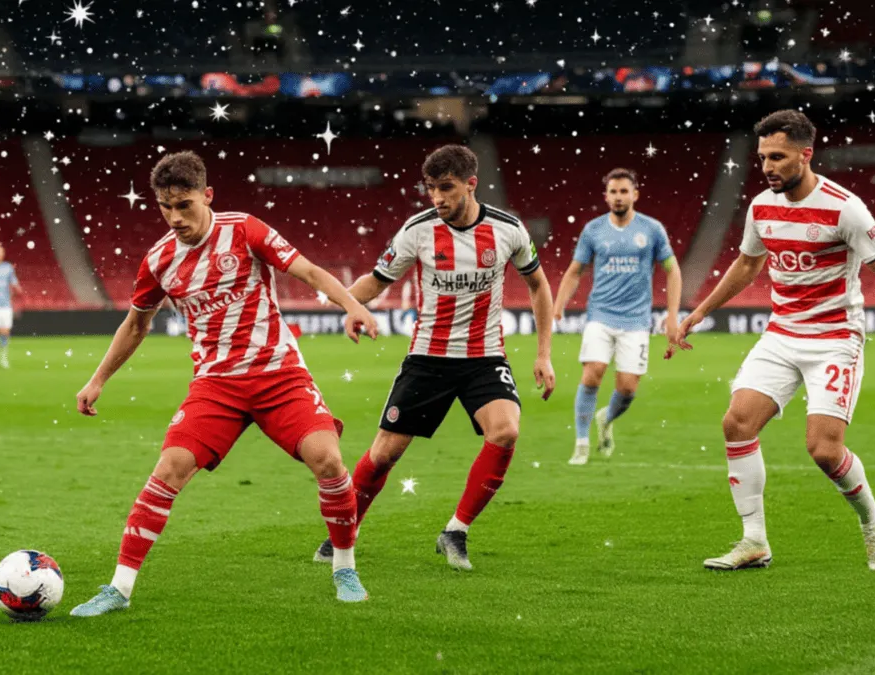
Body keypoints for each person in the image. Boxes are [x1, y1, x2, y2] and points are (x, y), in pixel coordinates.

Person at [69, 151, 379, 616]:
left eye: (185, 205)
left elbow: (310, 272)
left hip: (279, 375)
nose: (175, 218)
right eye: (165, 207)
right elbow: (136, 324)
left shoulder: (245, 229)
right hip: (217, 385)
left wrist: (351, 306)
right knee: (169, 467)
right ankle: (119, 588)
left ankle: (344, 567)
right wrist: (98, 379)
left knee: (329, 462)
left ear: (207, 196)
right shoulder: (159, 260)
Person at [669, 109, 875, 571]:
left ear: (806, 154)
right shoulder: (761, 207)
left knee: (823, 449)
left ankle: (873, 521)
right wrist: (700, 311)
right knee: (737, 423)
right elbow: (746, 264)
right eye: (762, 158)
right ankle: (753, 541)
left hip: (835, 338)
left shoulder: (845, 208)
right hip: (782, 333)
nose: (768, 167)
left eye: (777, 157)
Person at [312, 144, 556, 571]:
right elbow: (377, 279)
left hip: (484, 357)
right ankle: (342, 534)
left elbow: (539, 286)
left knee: (505, 431)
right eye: (431, 189)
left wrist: (544, 354)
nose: (438, 198)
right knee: (384, 454)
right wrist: (351, 305)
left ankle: (455, 531)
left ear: (470, 184)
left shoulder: (508, 229)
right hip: (429, 358)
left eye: (447, 188)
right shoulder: (418, 230)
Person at [552, 168, 681, 465]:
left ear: (635, 194)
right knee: (593, 372)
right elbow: (575, 271)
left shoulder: (652, 229)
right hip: (600, 314)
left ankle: (606, 419)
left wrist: (672, 315)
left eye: (624, 191)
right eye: (613, 191)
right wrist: (559, 303)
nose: (618, 197)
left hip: (636, 320)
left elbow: (672, 270)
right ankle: (582, 443)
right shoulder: (593, 230)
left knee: (627, 387)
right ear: (606, 196)